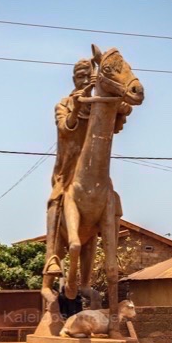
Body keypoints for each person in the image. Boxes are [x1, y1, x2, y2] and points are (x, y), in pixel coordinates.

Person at [44, 57, 133, 278]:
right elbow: (66, 128)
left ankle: (113, 252)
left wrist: (114, 98)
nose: (84, 80)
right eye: (80, 77)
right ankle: (52, 257)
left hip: (95, 170)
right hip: (69, 168)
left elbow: (122, 113)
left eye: (88, 76)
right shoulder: (64, 104)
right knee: (56, 200)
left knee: (112, 199)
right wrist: (77, 106)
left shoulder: (98, 106)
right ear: (74, 79)